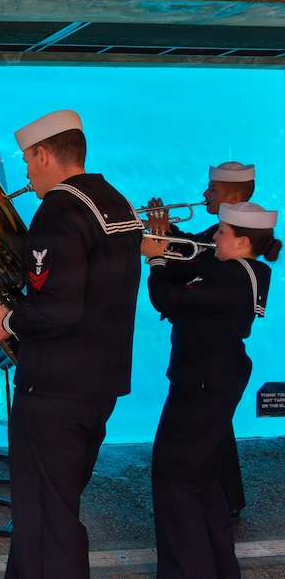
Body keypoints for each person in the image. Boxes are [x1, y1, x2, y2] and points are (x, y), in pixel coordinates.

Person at [0, 110, 144, 579]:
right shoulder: (117, 203)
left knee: (48, 523)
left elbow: (58, 310)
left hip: (53, 391)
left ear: (43, 154)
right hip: (100, 386)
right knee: (50, 513)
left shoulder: (59, 209)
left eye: (28, 161)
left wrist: (4, 319)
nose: (26, 173)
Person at [142, 201, 279, 579]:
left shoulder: (234, 275)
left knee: (174, 479)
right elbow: (190, 268)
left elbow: (169, 298)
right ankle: (219, 568)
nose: (213, 237)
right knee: (202, 481)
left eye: (221, 233)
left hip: (202, 385)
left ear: (241, 242)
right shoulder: (234, 269)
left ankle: (187, 571)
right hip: (209, 382)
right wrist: (166, 235)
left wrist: (154, 260)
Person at [144, 160, 256, 517]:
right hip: (204, 360)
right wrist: (165, 235)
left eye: (213, 189)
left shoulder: (231, 252)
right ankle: (227, 502)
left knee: (184, 453)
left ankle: (211, 510)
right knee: (215, 432)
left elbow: (181, 282)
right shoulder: (217, 236)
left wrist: (158, 256)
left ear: (234, 196)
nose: (204, 193)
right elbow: (192, 252)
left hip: (207, 365)